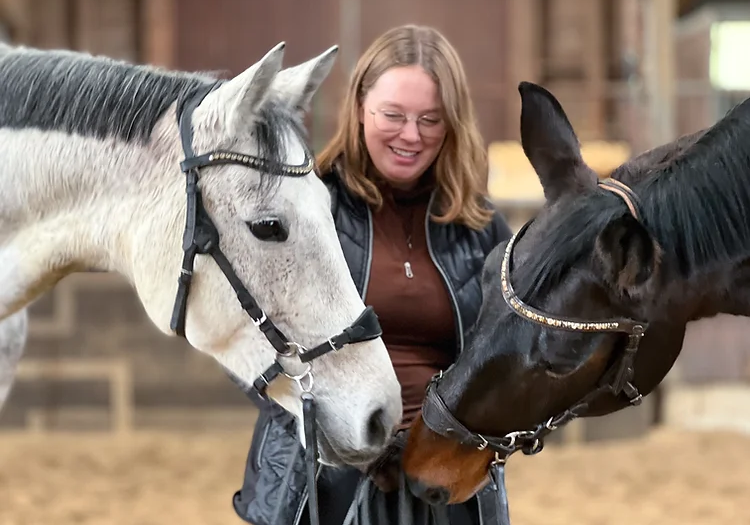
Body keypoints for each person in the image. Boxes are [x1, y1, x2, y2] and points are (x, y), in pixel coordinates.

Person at [232, 24, 513, 525]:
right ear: (360, 105)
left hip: (445, 485)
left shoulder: (482, 228)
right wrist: (355, 438)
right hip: (318, 484)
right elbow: (245, 346)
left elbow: (508, 366)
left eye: (431, 119)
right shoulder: (307, 211)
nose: (411, 135)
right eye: (394, 115)